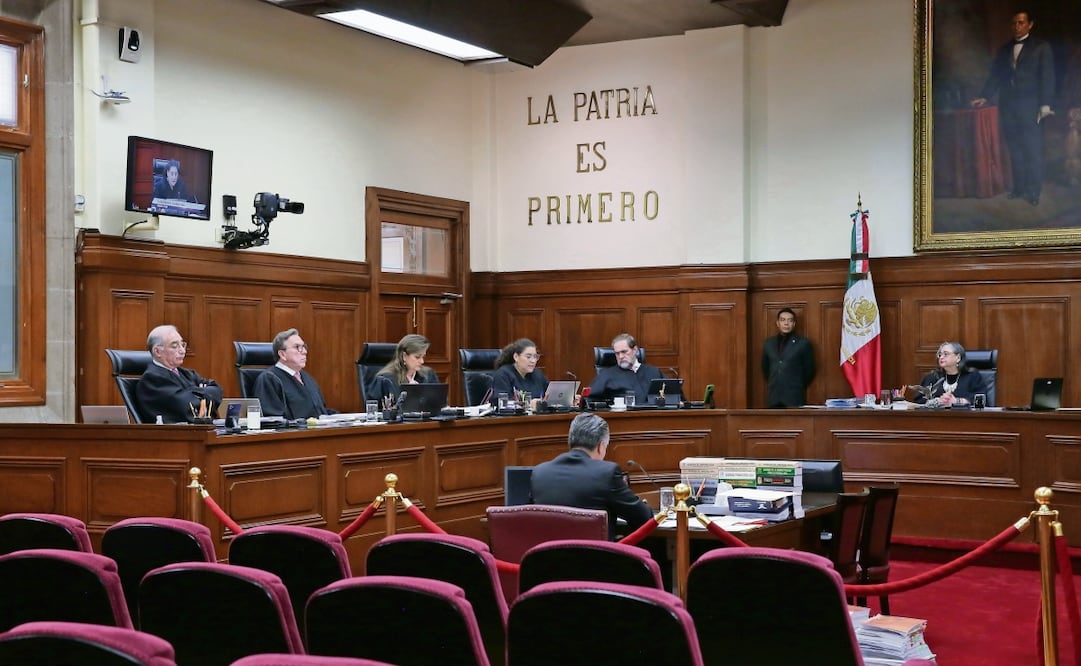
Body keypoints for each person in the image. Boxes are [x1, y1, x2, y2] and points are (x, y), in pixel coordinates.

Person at [970, 11, 1056, 206]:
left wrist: (1045, 104)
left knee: (1031, 149)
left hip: (1031, 107)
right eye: (1014, 23)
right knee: (1015, 149)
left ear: (1030, 24)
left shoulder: (1041, 47)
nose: (1017, 26)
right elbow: (995, 76)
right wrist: (985, 96)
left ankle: (1033, 191)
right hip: (1008, 107)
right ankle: (1019, 188)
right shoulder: (1004, 49)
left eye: (1021, 22)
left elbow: (1047, 76)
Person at [530, 413, 654, 540]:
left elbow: (529, 519)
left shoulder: (539, 473)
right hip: (594, 552)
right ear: (601, 447)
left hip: (548, 552)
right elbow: (644, 519)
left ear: (570, 441)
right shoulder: (607, 473)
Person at [135, 324, 222, 423]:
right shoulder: (152, 379)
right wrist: (203, 392)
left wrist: (191, 393)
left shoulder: (187, 373)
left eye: (182, 344)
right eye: (175, 346)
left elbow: (217, 390)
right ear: (157, 351)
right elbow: (185, 406)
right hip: (175, 431)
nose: (182, 350)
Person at [252, 328, 335, 420]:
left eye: (304, 347)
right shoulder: (269, 379)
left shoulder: (307, 378)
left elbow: (320, 411)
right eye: (297, 347)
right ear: (282, 354)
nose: (304, 352)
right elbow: (274, 420)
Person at [761, 308, 816, 408]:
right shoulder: (769, 343)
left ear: (794, 324)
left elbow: (809, 371)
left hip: (794, 396)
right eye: (783, 320)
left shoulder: (803, 343)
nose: (786, 323)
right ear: (777, 323)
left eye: (790, 320)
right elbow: (765, 368)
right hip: (774, 396)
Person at [588, 333, 663, 404]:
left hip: (652, 413)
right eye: (617, 353)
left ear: (635, 350)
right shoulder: (606, 375)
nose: (620, 356)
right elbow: (589, 399)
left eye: (624, 352)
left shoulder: (654, 372)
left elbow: (668, 395)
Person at [372, 334, 439, 406]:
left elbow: (439, 402)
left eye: (423, 357)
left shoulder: (429, 374)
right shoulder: (385, 379)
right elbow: (374, 408)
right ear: (404, 356)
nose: (422, 361)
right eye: (417, 357)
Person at [914, 341, 987, 407]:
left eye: (946, 354)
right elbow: (918, 401)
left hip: (964, 416)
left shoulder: (972, 376)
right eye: (940, 355)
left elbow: (981, 399)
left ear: (958, 358)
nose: (941, 357)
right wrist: (936, 401)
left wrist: (957, 401)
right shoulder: (932, 377)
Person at [490, 338, 549, 407]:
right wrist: (528, 404)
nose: (533, 361)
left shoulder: (538, 374)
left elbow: (548, 395)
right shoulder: (503, 375)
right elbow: (502, 403)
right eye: (528, 357)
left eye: (535, 357)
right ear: (516, 357)